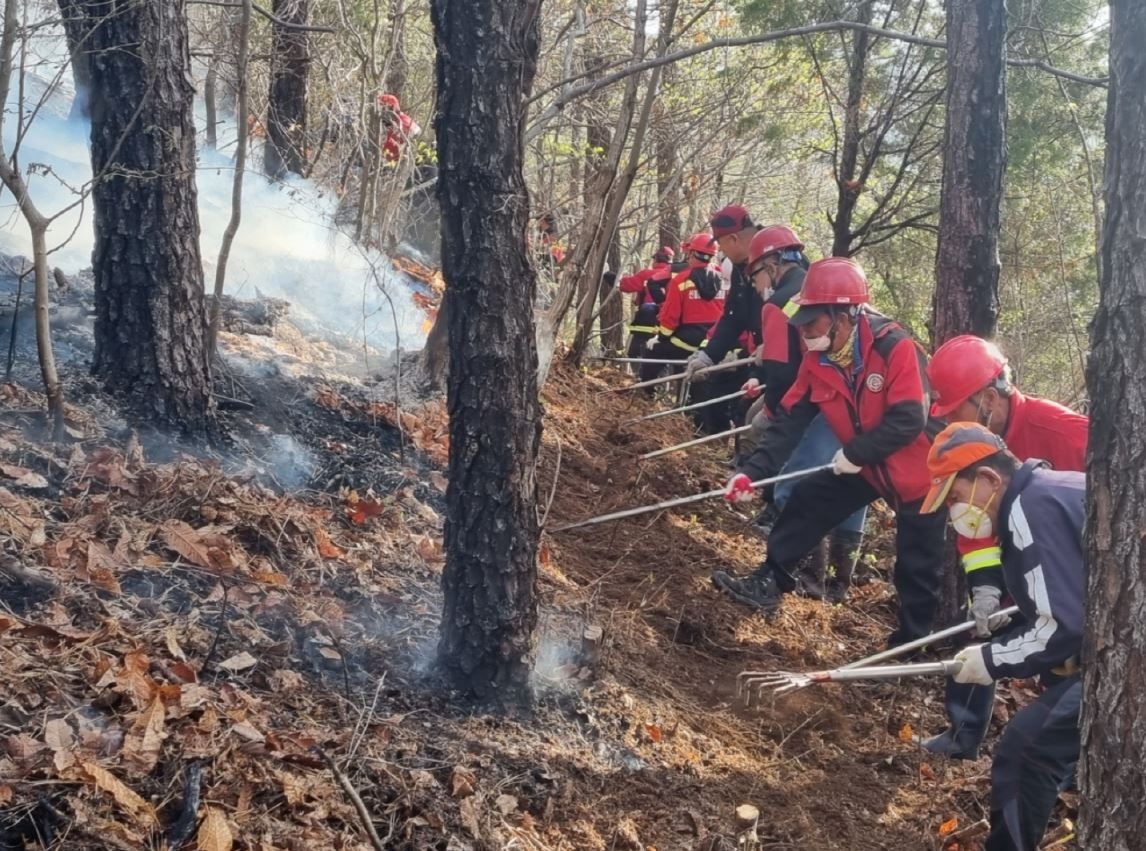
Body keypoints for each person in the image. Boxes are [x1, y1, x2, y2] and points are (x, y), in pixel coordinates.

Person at [713, 257, 945, 646]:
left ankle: (912, 644)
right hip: (866, 467)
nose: (805, 331)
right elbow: (789, 421)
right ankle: (770, 580)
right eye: (802, 323)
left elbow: (910, 418)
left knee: (916, 564)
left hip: (918, 474)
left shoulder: (894, 348)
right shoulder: (817, 359)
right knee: (808, 499)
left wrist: (856, 453)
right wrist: (751, 473)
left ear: (845, 315)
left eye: (813, 322)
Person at [921, 335, 1090, 758]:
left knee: (1063, 667)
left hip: (1073, 571)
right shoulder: (967, 449)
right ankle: (963, 735)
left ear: (988, 399)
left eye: (954, 410)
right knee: (979, 637)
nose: (946, 422)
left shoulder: (1064, 432)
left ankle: (1067, 764)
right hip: (1019, 562)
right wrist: (986, 588)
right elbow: (973, 526)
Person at [924, 423, 1083, 851]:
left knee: (1026, 747)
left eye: (956, 498)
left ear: (990, 480)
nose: (955, 511)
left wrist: (991, 660)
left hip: (1127, 652)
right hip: (1116, 641)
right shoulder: (1042, 493)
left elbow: (1063, 627)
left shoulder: (1030, 509)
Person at [737, 226, 866, 602]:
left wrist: (770, 413)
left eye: (755, 273)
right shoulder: (828, 292)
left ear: (772, 264)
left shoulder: (780, 302)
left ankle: (805, 577)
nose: (756, 282)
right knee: (852, 488)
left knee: (794, 485)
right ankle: (839, 582)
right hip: (851, 409)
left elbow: (782, 374)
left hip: (824, 407)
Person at [682, 204, 763, 381]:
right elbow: (734, 315)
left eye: (720, 243)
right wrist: (710, 355)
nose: (720, 250)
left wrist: (774, 345)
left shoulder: (780, 259)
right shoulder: (740, 268)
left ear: (733, 239)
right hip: (758, 356)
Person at [638, 235, 723, 382]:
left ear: (691, 253)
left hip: (687, 341)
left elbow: (670, 319)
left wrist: (660, 337)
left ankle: (646, 392)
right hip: (715, 342)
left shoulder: (681, 280)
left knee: (652, 350)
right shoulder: (724, 277)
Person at [618, 247, 675, 360]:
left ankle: (640, 375)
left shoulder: (647, 274)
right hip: (668, 321)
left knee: (636, 353)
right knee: (662, 354)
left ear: (657, 259)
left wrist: (610, 276)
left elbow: (626, 285)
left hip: (646, 321)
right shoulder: (677, 276)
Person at [378, 93, 420, 163]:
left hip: (404, 160)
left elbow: (414, 134)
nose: (383, 112)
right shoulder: (391, 123)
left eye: (385, 108)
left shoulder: (403, 121)